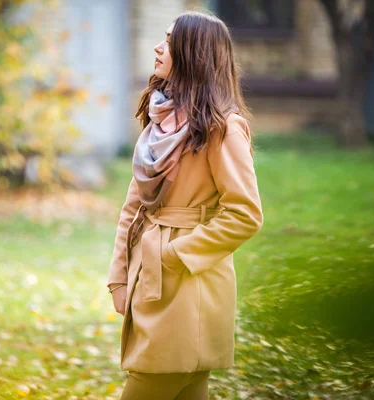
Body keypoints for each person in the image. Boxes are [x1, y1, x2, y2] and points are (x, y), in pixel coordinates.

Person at [106, 10, 264, 400]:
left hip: (191, 281)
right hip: (152, 271)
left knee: (155, 380)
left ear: (192, 54)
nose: (159, 48)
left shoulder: (222, 128)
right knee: (187, 386)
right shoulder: (161, 120)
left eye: (170, 41)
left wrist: (176, 255)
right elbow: (135, 205)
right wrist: (120, 275)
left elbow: (245, 214)